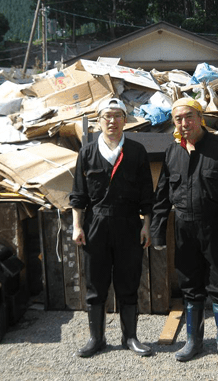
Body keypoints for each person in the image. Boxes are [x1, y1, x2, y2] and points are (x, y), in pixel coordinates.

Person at [151, 97, 218, 368]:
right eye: (178, 118)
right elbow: (161, 196)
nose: (184, 122)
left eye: (189, 116)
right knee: (190, 286)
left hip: (214, 229)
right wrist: (157, 233)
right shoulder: (172, 152)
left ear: (200, 117)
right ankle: (193, 341)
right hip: (184, 230)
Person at [70, 97, 154, 358]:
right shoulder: (87, 152)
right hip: (96, 224)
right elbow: (78, 194)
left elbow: (147, 194)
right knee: (96, 283)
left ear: (125, 121)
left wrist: (146, 226)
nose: (112, 121)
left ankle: (130, 337)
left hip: (129, 223)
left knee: (128, 281)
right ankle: (97, 338)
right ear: (98, 121)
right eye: (107, 116)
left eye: (118, 116)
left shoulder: (137, 151)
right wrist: (77, 227)